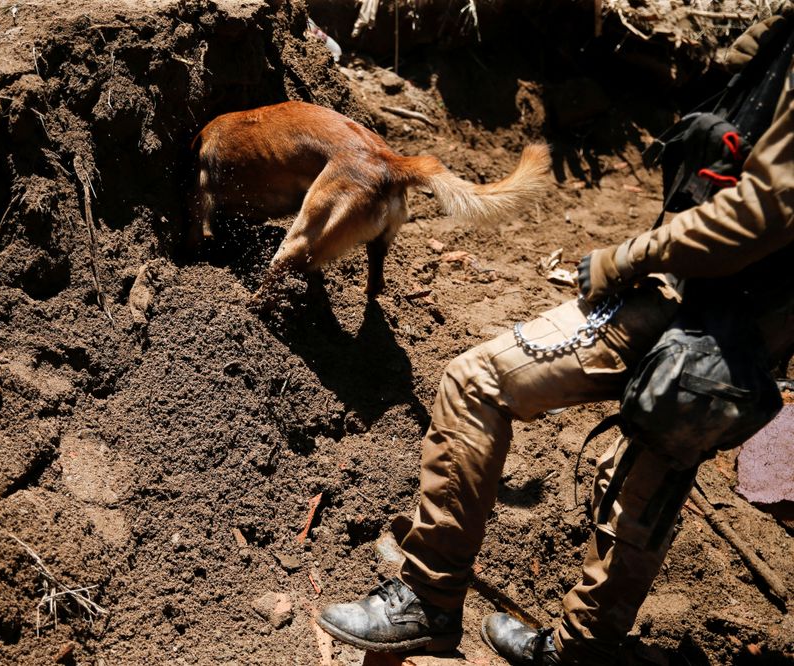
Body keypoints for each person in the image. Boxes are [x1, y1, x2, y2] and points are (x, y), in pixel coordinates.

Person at [317, 11, 794, 664]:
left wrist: (627, 258)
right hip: (732, 312)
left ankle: (438, 603)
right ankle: (563, 647)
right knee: (642, 474)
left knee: (497, 393)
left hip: (718, 312)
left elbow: (763, 213)